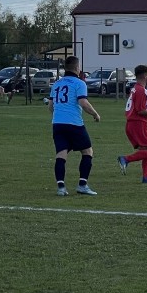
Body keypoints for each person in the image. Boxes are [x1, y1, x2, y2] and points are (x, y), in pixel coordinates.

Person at [49, 55, 101, 196]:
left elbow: (51, 106)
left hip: (57, 123)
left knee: (61, 154)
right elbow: (83, 103)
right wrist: (95, 114)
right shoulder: (79, 83)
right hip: (74, 123)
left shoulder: (57, 84)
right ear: (77, 68)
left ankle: (61, 188)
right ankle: (82, 185)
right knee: (87, 152)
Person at [118, 64, 147, 183]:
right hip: (138, 125)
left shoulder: (135, 89)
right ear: (144, 75)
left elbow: (135, 111)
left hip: (133, 123)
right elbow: (140, 110)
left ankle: (146, 177)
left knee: (146, 150)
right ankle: (125, 159)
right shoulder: (141, 90)